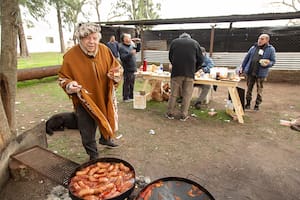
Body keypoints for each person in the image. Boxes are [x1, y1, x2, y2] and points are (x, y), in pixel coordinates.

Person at [58, 23, 123, 160]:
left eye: (94, 38)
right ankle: (93, 154)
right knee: (87, 128)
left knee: (106, 118)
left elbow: (116, 67)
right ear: (80, 39)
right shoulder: (70, 56)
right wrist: (70, 85)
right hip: (85, 98)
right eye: (87, 38)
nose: (91, 42)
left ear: (98, 38)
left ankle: (105, 139)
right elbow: (63, 78)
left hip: (104, 94)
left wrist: (115, 75)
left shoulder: (105, 50)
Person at [166, 33, 204, 121]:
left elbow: (170, 57)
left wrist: (175, 65)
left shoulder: (174, 42)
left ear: (180, 37)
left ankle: (170, 113)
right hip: (189, 73)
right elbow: (201, 59)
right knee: (187, 95)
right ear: (189, 38)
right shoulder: (195, 43)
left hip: (176, 72)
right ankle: (183, 115)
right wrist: (194, 69)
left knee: (173, 94)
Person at [241, 33, 276, 111]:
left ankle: (257, 105)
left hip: (261, 73)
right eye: (259, 38)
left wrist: (267, 63)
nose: (259, 40)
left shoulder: (271, 49)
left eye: (262, 39)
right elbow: (246, 58)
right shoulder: (253, 47)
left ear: (267, 40)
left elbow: (273, 61)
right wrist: (242, 67)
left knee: (259, 89)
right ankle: (248, 103)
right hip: (250, 72)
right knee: (249, 89)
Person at [119, 33, 141, 102]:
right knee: (127, 83)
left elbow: (137, 50)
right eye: (128, 37)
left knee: (132, 83)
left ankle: (131, 96)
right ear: (124, 39)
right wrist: (130, 54)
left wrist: (139, 43)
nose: (130, 38)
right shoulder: (121, 47)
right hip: (127, 68)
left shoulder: (131, 45)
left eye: (130, 37)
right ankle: (125, 97)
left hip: (133, 67)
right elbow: (123, 58)